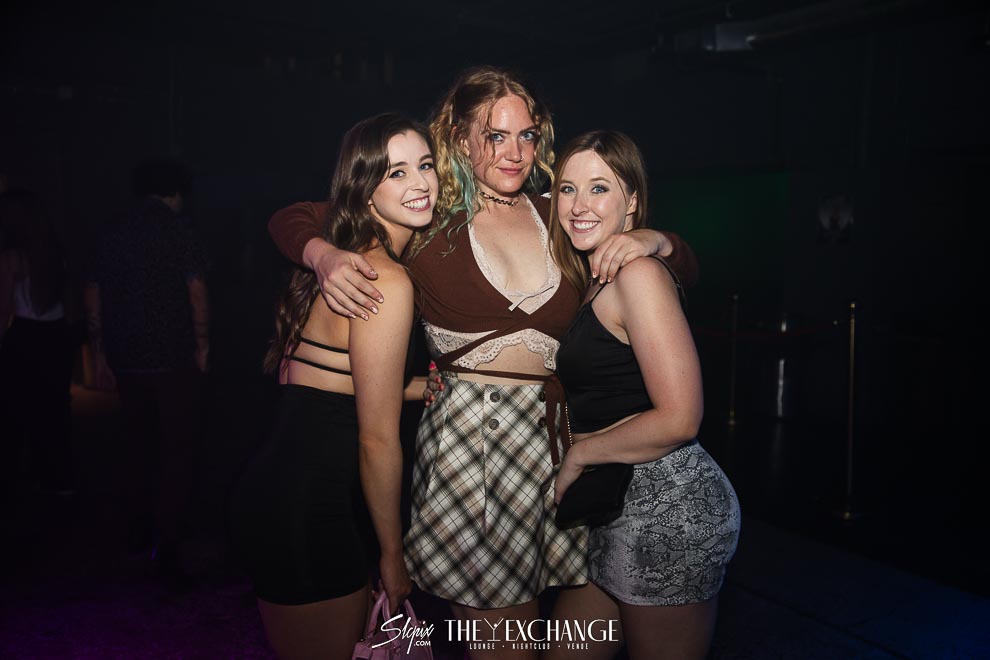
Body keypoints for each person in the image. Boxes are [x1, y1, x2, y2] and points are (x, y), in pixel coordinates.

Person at [267, 66, 698, 657]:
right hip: (470, 455)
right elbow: (295, 216)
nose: (514, 152)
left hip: (558, 447)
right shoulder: (429, 213)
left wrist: (655, 240)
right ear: (461, 138)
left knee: (563, 634)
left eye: (527, 135)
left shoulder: (559, 213)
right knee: (505, 644)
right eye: (495, 136)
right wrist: (322, 255)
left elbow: (684, 269)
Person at [229, 113, 435, 659]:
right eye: (396, 173)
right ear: (364, 190)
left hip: (281, 490)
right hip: (306, 505)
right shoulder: (383, 278)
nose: (419, 183)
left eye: (425, 165)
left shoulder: (349, 257)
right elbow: (376, 439)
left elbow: (329, 391)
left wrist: (419, 387)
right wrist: (392, 554)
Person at [549, 131, 740, 660]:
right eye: (567, 189)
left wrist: (579, 454)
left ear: (631, 201)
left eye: (599, 188)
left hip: (668, 510)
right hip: (615, 506)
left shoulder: (637, 274)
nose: (579, 205)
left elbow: (681, 418)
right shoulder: (596, 273)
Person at [83, 157, 210, 577]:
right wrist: (203, 343)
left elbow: (93, 289)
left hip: (126, 353)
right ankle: (168, 539)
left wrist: (99, 349)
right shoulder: (179, 229)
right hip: (173, 354)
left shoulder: (112, 230)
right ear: (176, 192)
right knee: (177, 448)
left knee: (137, 443)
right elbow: (196, 289)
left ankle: (138, 528)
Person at [0, 189, 75, 504]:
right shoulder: (55, 252)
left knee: (14, 411)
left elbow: (4, 307)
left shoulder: (12, 257)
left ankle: (12, 482)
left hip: (25, 337)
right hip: (56, 337)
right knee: (52, 410)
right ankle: (56, 478)